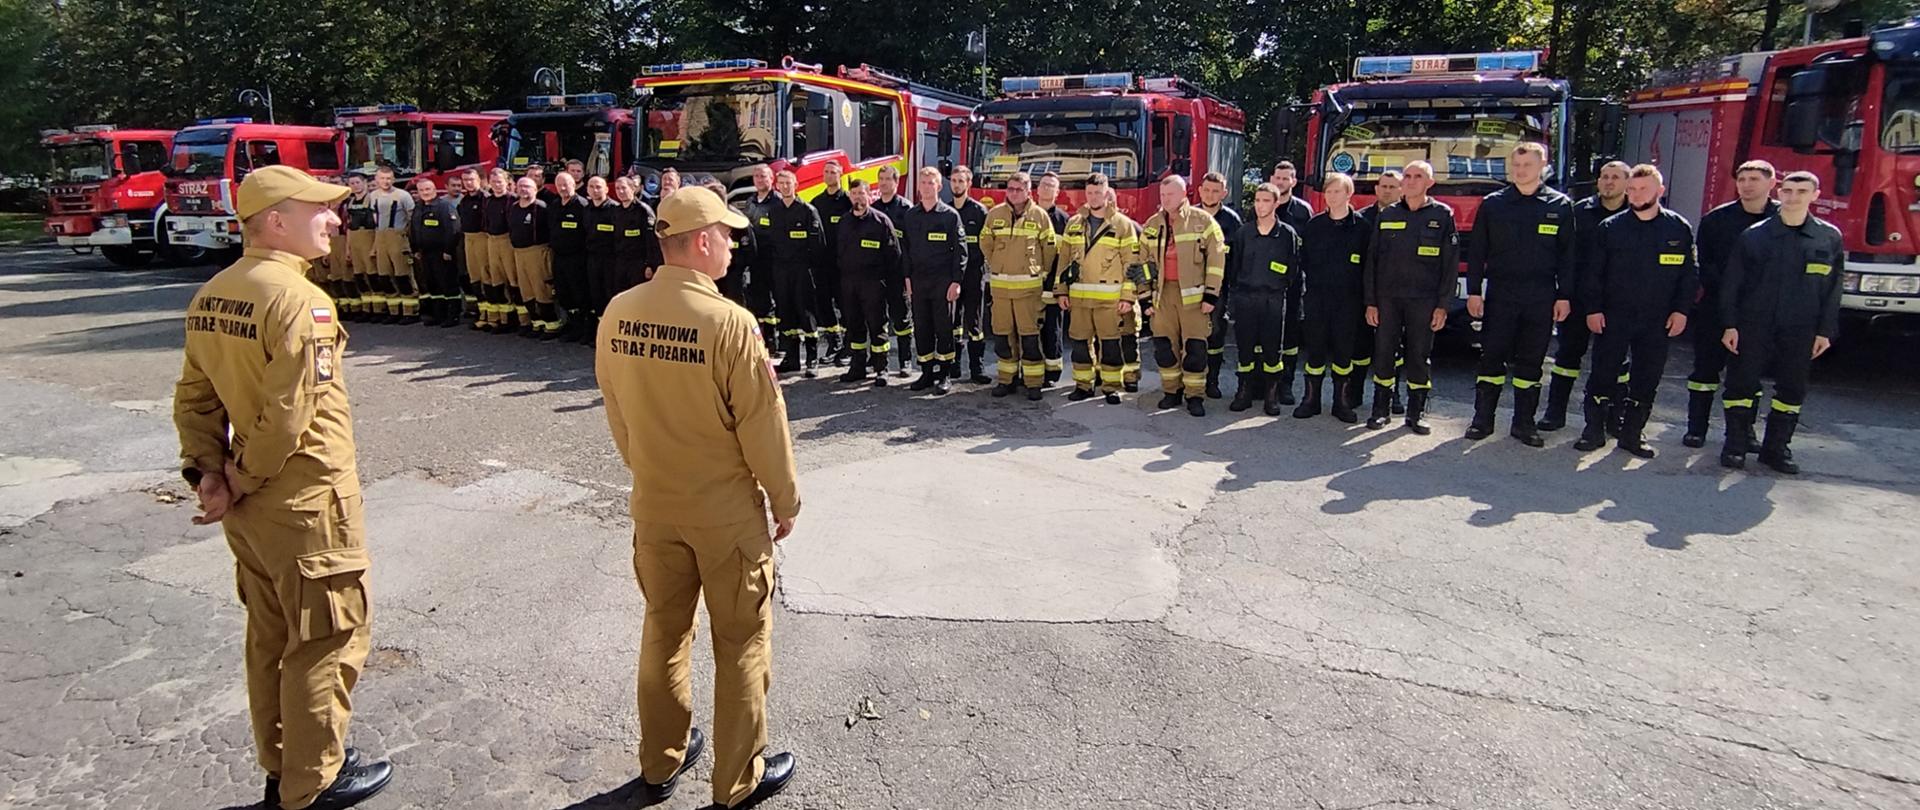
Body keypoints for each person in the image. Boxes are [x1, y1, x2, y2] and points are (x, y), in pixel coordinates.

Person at [173, 165, 393, 810]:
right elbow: (289, 414)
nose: (333, 220)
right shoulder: (301, 300)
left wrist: (209, 474)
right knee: (326, 638)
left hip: (252, 508)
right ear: (275, 221)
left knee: (271, 637)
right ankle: (311, 782)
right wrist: (238, 477)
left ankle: (285, 762)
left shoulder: (214, 292)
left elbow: (194, 397)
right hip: (305, 502)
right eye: (318, 209)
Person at [595, 185, 799, 810]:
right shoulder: (729, 322)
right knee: (741, 644)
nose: (733, 246)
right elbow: (764, 427)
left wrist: (649, 471)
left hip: (655, 506)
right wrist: (785, 501)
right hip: (725, 516)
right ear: (703, 242)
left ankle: (660, 760)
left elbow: (617, 411)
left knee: (664, 632)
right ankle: (738, 781)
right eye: (728, 236)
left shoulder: (618, 311)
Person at [1716, 171, 1842, 473]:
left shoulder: (1828, 237)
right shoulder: (1754, 236)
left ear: (1815, 195)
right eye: (1788, 191)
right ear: (1779, 193)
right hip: (1754, 324)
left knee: (1792, 389)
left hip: (1801, 327)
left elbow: (1833, 288)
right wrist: (1729, 324)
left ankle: (1776, 449)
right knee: (1741, 385)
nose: (1793, 197)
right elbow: (1732, 284)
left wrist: (1825, 331)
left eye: (1802, 191)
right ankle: (1735, 445)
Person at [1574, 163, 1698, 458]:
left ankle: (1632, 434)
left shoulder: (1678, 228)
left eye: (1643, 189)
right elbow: (1594, 273)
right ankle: (1593, 430)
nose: (1636, 194)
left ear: (1660, 191)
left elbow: (1688, 274)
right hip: (1614, 315)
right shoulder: (1611, 227)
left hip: (1657, 319)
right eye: (1632, 189)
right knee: (1603, 373)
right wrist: (1593, 309)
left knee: (1647, 378)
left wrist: (1681, 311)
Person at [1462, 142, 1577, 446]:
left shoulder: (1560, 205)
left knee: (1531, 361)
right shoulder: (1494, 204)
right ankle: (1482, 420)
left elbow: (1568, 257)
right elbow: (1477, 251)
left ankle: (1524, 423)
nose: (1521, 170)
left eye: (1527, 165)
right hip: (1501, 293)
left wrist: (1564, 296)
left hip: (1541, 296)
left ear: (1542, 166)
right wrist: (1473, 291)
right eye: (1516, 165)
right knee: (1491, 357)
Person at [1684, 160, 1780, 447]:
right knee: (1705, 370)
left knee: (1749, 376)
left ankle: (1743, 431)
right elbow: (1706, 265)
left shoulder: (1781, 220)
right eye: (1742, 179)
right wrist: (1729, 293)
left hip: (1759, 312)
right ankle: (1696, 428)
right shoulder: (1716, 220)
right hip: (1716, 308)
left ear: (1771, 183)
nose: (1746, 185)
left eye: (1754, 179)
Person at [1363, 160, 1456, 434]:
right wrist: (1371, 301)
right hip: (1388, 299)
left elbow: (1450, 266)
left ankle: (1416, 414)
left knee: (1418, 356)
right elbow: (1372, 260)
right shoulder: (1388, 214)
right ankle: (1380, 410)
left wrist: (1443, 305)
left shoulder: (1442, 215)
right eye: (1408, 176)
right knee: (1383, 354)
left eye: (1418, 176)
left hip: (1424, 300)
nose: (1411, 181)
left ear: (1430, 183)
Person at [1539, 160, 1629, 431]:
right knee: (1567, 356)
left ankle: (1614, 417)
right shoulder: (1579, 211)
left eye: (1615, 177)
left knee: (1616, 362)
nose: (1608, 182)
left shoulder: (1634, 214)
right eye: (1604, 177)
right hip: (1578, 297)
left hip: (1616, 300)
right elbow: (1564, 255)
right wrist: (1563, 294)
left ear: (1627, 183)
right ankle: (1555, 413)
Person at [1138, 175, 1227, 416]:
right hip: (1162, 295)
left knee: (1195, 349)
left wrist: (1211, 295)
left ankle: (1195, 396)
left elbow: (1217, 260)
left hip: (1194, 298)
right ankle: (1171, 392)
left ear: (1184, 194)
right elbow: (1141, 263)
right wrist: (1144, 297)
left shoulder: (1203, 221)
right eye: (1162, 195)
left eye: (1170, 195)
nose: (1165, 199)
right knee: (1165, 348)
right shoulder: (1152, 224)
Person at [1058, 173, 1143, 404]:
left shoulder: (1122, 225)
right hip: (1079, 299)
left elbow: (1131, 264)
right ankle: (1083, 385)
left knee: (1110, 345)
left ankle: (1111, 387)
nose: (1093, 197)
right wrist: (1061, 290)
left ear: (1107, 194)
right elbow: (1064, 260)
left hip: (1110, 301)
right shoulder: (1074, 223)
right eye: (1090, 193)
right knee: (1079, 344)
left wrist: (1128, 296)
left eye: (1098, 192)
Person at [1296, 173, 1370, 422]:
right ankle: (1311, 400)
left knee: (1343, 353)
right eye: (1328, 191)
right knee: (1315, 351)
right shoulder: (1314, 226)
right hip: (1318, 299)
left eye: (1337, 191)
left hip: (1348, 301)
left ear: (1349, 194)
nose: (1331, 196)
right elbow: (1304, 260)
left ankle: (1342, 402)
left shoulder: (1362, 227)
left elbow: (1369, 265)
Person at [979, 171, 1056, 400]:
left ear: (1028, 191)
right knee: (1003, 337)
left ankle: (1033, 383)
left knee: (1029, 337)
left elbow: (1049, 248)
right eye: (1010, 189)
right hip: (1001, 290)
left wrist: (1040, 271)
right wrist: (997, 263)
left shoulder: (1040, 216)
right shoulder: (995, 214)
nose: (1013, 193)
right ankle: (1006, 380)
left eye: (1018, 189)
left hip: (1028, 290)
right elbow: (986, 242)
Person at [900, 166, 967, 394]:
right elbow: (905, 250)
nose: (927, 187)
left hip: (943, 282)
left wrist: (956, 281)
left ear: (939, 186)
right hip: (918, 281)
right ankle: (926, 373)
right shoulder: (911, 215)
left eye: (931, 183)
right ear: (919, 187)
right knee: (922, 328)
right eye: (923, 182)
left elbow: (961, 251)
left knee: (943, 328)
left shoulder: (950, 216)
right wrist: (907, 278)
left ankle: (944, 374)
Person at [834, 177, 902, 386]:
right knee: (854, 326)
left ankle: (881, 369)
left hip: (874, 284)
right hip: (849, 283)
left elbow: (894, 256)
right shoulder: (844, 222)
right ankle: (857, 367)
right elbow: (838, 253)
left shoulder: (881, 222)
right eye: (854, 194)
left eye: (861, 193)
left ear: (869, 195)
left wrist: (890, 287)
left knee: (877, 326)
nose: (858, 198)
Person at [763, 169, 827, 376]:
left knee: (806, 313)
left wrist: (813, 271)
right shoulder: (774, 211)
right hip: (781, 270)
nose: (784, 187)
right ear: (777, 186)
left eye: (788, 183)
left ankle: (812, 360)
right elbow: (770, 243)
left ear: (796, 185)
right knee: (786, 313)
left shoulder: (808, 211)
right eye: (781, 183)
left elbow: (818, 245)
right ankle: (791, 358)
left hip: (802, 270)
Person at [1268, 161, 1315, 404]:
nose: (1281, 182)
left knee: (1290, 337)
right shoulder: (1263, 205)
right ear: (1271, 179)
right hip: (1265, 283)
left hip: (1293, 284)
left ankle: (1285, 385)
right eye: (1278, 177)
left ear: (1294, 182)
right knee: (1265, 335)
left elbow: (1310, 249)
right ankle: (1263, 385)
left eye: (1285, 178)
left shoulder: (1303, 211)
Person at [1358, 170, 1405, 414]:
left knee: (1392, 347)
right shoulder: (1361, 218)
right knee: (1360, 344)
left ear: (1401, 190)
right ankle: (1354, 393)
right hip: (1362, 291)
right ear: (1376, 189)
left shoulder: (1408, 217)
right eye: (1383, 186)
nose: (1387, 191)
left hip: (1394, 293)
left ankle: (1393, 395)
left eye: (1392, 187)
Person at [1196, 171, 1243, 399]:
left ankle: (1212, 381)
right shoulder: (1189, 216)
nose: (1210, 194)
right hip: (1190, 285)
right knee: (1191, 334)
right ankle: (1190, 380)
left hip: (1219, 288)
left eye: (1215, 191)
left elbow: (1238, 258)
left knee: (1215, 333)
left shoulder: (1232, 221)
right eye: (1206, 190)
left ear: (1224, 193)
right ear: (1199, 190)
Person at [948, 164, 992, 384]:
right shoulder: (945, 211)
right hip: (951, 276)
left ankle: (977, 368)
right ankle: (954, 366)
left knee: (975, 323)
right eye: (954, 181)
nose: (956, 185)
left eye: (961, 181)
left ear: (968, 184)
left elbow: (988, 244)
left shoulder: (979, 212)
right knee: (953, 322)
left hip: (974, 275)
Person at [873, 165, 916, 377]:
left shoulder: (907, 210)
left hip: (898, 274)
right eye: (880, 179)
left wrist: (909, 275)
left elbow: (912, 246)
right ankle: (879, 364)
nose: (883, 183)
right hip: (877, 275)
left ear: (896, 182)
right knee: (877, 318)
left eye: (888, 179)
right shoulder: (873, 208)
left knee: (902, 319)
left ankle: (905, 360)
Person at [508, 176, 558, 338]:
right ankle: (536, 323)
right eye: (521, 186)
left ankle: (551, 325)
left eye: (528, 187)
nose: (523, 189)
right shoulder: (514, 207)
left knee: (541, 289)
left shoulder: (542, 208)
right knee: (526, 291)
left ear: (535, 189)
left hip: (537, 252)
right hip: (519, 253)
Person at [811, 161, 852, 365]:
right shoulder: (817, 203)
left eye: (833, 172)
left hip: (844, 265)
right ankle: (834, 343)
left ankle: (849, 346)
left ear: (840, 174)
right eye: (826, 172)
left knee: (846, 305)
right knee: (824, 305)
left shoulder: (848, 202)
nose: (829, 175)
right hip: (822, 264)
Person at [409, 178, 462, 328]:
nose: (425, 193)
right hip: (425, 253)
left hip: (442, 253)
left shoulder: (444, 206)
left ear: (434, 190)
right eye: (421, 190)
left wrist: (448, 250)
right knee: (433, 285)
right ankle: (439, 315)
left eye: (428, 189)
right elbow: (414, 229)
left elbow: (453, 230)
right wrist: (415, 249)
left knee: (448, 284)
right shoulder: (419, 207)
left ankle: (453, 316)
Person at [1035, 172, 1072, 384]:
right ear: (1037, 189)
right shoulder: (1027, 216)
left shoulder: (1064, 221)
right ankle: (1029, 372)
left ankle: (1051, 373)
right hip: (1028, 285)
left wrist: (1062, 288)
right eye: (1044, 185)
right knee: (1028, 331)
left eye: (1051, 186)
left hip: (1052, 287)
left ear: (1057, 193)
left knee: (1052, 330)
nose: (1047, 188)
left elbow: (1067, 258)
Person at [369, 167, 418, 323]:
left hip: (398, 238)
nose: (386, 181)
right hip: (381, 238)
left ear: (394, 179)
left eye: (389, 178)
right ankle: (394, 311)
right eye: (382, 178)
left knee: (402, 276)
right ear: (376, 180)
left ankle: (411, 312)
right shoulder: (373, 196)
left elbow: (412, 219)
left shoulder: (403, 195)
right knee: (384, 276)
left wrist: (407, 238)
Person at [548, 172, 592, 341]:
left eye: (566, 184)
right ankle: (572, 325)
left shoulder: (582, 205)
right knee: (564, 293)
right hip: (559, 257)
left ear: (574, 185)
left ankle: (584, 328)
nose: (563, 188)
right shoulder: (555, 205)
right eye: (559, 185)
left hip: (577, 258)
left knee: (579, 293)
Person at [744, 165, 782, 352]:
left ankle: (777, 339)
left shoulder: (778, 202)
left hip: (774, 258)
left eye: (763, 176)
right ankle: (765, 339)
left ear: (771, 179)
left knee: (777, 299)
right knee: (759, 299)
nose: (760, 180)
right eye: (757, 176)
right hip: (756, 259)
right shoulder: (750, 202)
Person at [481, 168, 521, 332]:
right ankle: (504, 319)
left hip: (507, 241)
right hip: (491, 240)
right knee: (497, 280)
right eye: (493, 182)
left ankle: (522, 320)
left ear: (507, 182)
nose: (496, 185)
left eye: (499, 181)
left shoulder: (513, 200)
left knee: (513, 280)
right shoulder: (488, 200)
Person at [583, 175, 619, 344]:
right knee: (595, 295)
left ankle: (611, 333)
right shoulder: (587, 209)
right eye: (591, 187)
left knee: (609, 294)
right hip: (592, 258)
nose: (595, 190)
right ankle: (599, 333)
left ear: (606, 189)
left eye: (598, 187)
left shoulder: (614, 209)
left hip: (611, 260)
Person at [611, 175, 660, 298]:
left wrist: (649, 264)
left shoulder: (644, 211)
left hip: (638, 262)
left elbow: (651, 241)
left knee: (637, 296)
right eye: (617, 188)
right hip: (620, 262)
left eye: (624, 188)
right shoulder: (616, 211)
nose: (620, 191)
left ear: (633, 189)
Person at [343, 173, 379, 321]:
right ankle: (366, 309)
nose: (355, 186)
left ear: (364, 183)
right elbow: (349, 227)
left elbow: (378, 226)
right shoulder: (350, 202)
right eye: (352, 183)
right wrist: (348, 249)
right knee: (359, 275)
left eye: (358, 182)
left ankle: (379, 309)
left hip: (369, 237)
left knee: (372, 275)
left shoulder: (372, 200)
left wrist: (375, 246)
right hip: (355, 239)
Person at [456, 169, 489, 329]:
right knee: (474, 278)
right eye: (465, 180)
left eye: (471, 179)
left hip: (483, 239)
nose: (468, 183)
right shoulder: (464, 201)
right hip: (468, 239)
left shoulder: (486, 199)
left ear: (479, 180)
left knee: (486, 278)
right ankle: (482, 313)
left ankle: (493, 316)